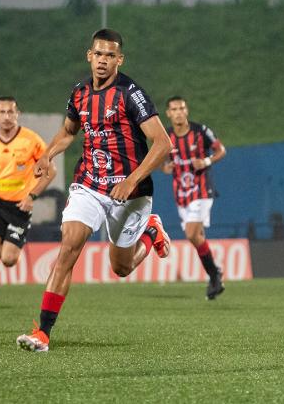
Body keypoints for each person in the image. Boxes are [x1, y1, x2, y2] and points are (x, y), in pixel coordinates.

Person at [16, 28, 173, 352]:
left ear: (119, 59)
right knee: (69, 246)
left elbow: (163, 143)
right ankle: (42, 333)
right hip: (89, 183)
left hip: (131, 192)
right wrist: (47, 154)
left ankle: (150, 232)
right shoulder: (80, 93)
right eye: (98, 54)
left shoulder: (131, 93)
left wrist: (130, 180)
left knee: (121, 267)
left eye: (110, 55)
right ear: (89, 56)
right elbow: (68, 130)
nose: (103, 60)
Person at [0, 96, 56, 310]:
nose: (7, 116)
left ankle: (9, 246)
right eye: (2, 112)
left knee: (8, 259)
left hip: (20, 206)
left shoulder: (32, 140)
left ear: (18, 114)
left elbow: (50, 172)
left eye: (10, 112)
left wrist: (32, 196)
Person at [161, 96, 226, 300]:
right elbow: (161, 159)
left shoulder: (200, 131)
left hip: (202, 190)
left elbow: (221, 150)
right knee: (197, 237)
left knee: (191, 233)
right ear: (168, 113)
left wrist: (206, 160)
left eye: (182, 108)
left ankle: (214, 274)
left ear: (186, 111)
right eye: (174, 109)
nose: (179, 112)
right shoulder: (166, 135)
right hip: (181, 193)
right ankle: (214, 276)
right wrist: (165, 167)